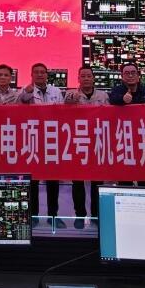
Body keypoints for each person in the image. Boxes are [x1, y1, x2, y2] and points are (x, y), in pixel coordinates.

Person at [19, 63, 65, 223]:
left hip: (52, 139)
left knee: (53, 180)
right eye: (36, 72)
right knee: (33, 180)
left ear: (47, 75)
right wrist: (26, 93)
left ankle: (53, 216)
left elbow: (63, 112)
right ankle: (34, 215)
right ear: (31, 75)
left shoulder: (56, 91)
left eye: (42, 72)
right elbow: (20, 104)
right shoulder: (26, 91)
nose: (39, 75)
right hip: (33, 139)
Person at [65, 66, 107, 227]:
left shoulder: (103, 96)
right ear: (78, 79)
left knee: (97, 181)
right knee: (78, 181)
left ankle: (96, 215)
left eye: (89, 76)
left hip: (98, 141)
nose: (86, 78)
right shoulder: (70, 94)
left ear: (93, 78)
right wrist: (70, 103)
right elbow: (63, 114)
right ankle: (80, 216)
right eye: (83, 76)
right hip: (77, 141)